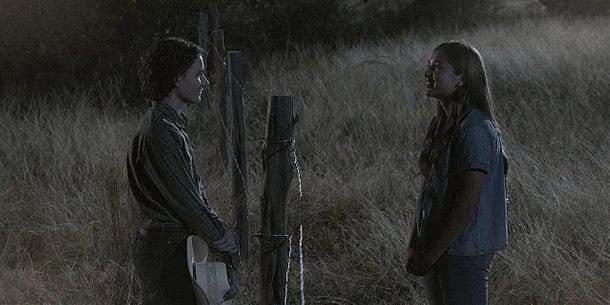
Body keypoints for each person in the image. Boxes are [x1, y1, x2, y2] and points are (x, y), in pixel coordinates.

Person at [126, 37, 240, 304]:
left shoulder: (167, 124)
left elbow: (194, 197)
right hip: (166, 250)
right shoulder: (162, 131)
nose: (206, 81)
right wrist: (225, 242)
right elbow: (189, 204)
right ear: (177, 78)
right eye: (198, 74)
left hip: (170, 246)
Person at [406, 40, 509, 305]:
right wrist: (416, 243)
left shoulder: (475, 129)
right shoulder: (439, 125)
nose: (428, 73)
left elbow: (467, 204)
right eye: (429, 66)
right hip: (436, 244)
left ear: (462, 78)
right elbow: (428, 190)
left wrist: (430, 254)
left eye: (438, 67)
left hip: (464, 249)